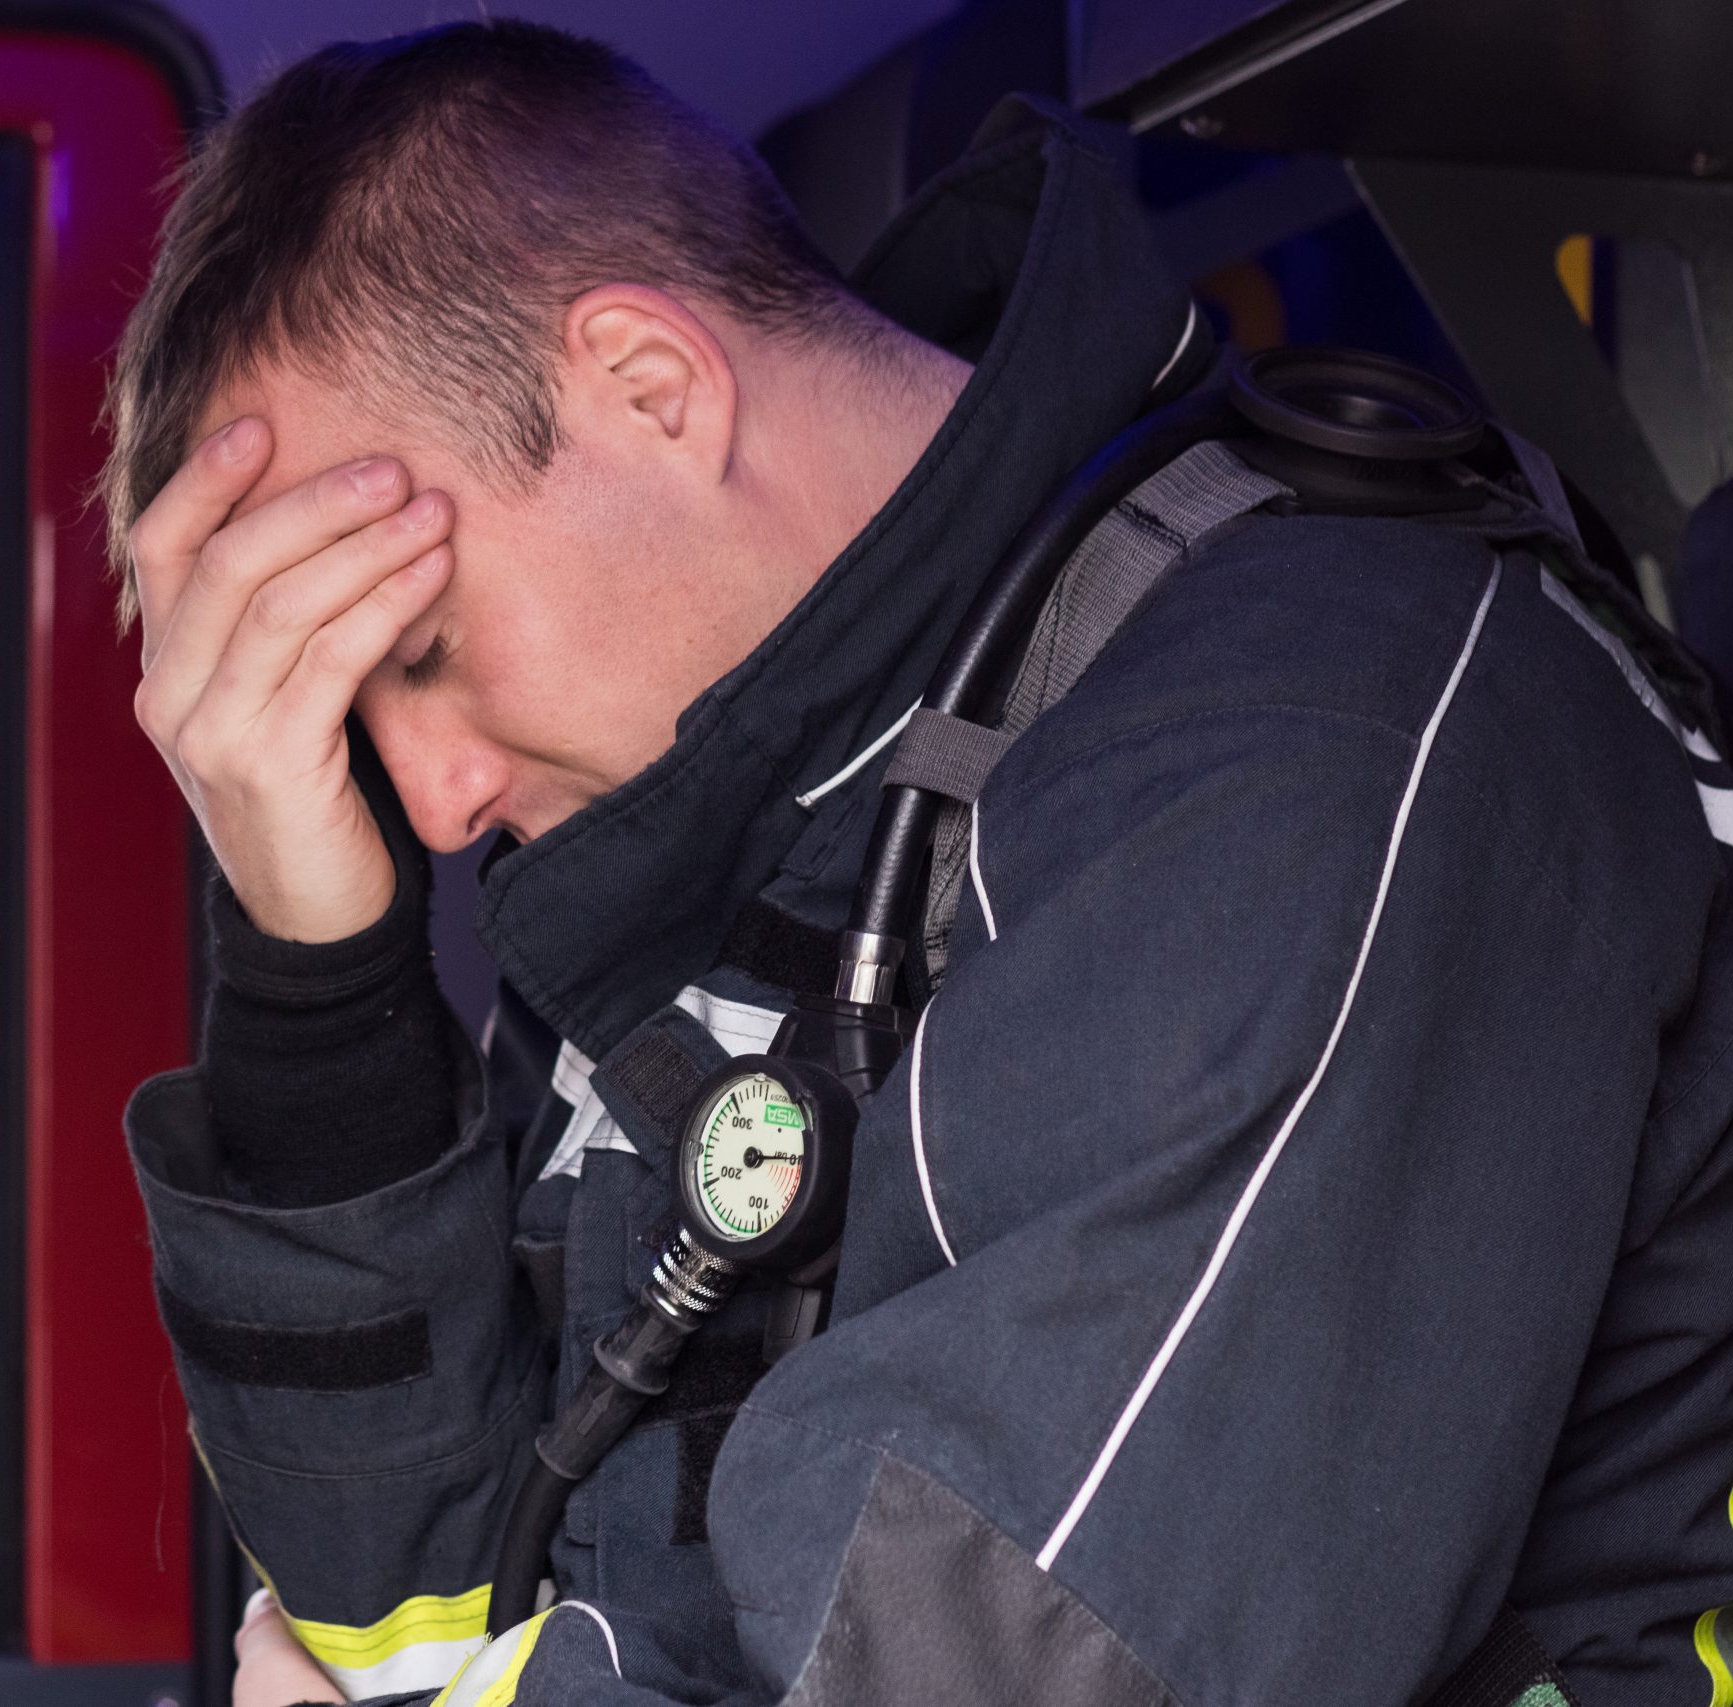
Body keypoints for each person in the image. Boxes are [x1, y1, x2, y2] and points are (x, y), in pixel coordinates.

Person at [105, 22, 1733, 1707]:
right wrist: (322, 999)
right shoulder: (724, 862)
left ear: (651, 389)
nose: (434, 810)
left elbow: (1007, 1667)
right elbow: (420, 1639)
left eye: (422, 651)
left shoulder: (1314, 743)